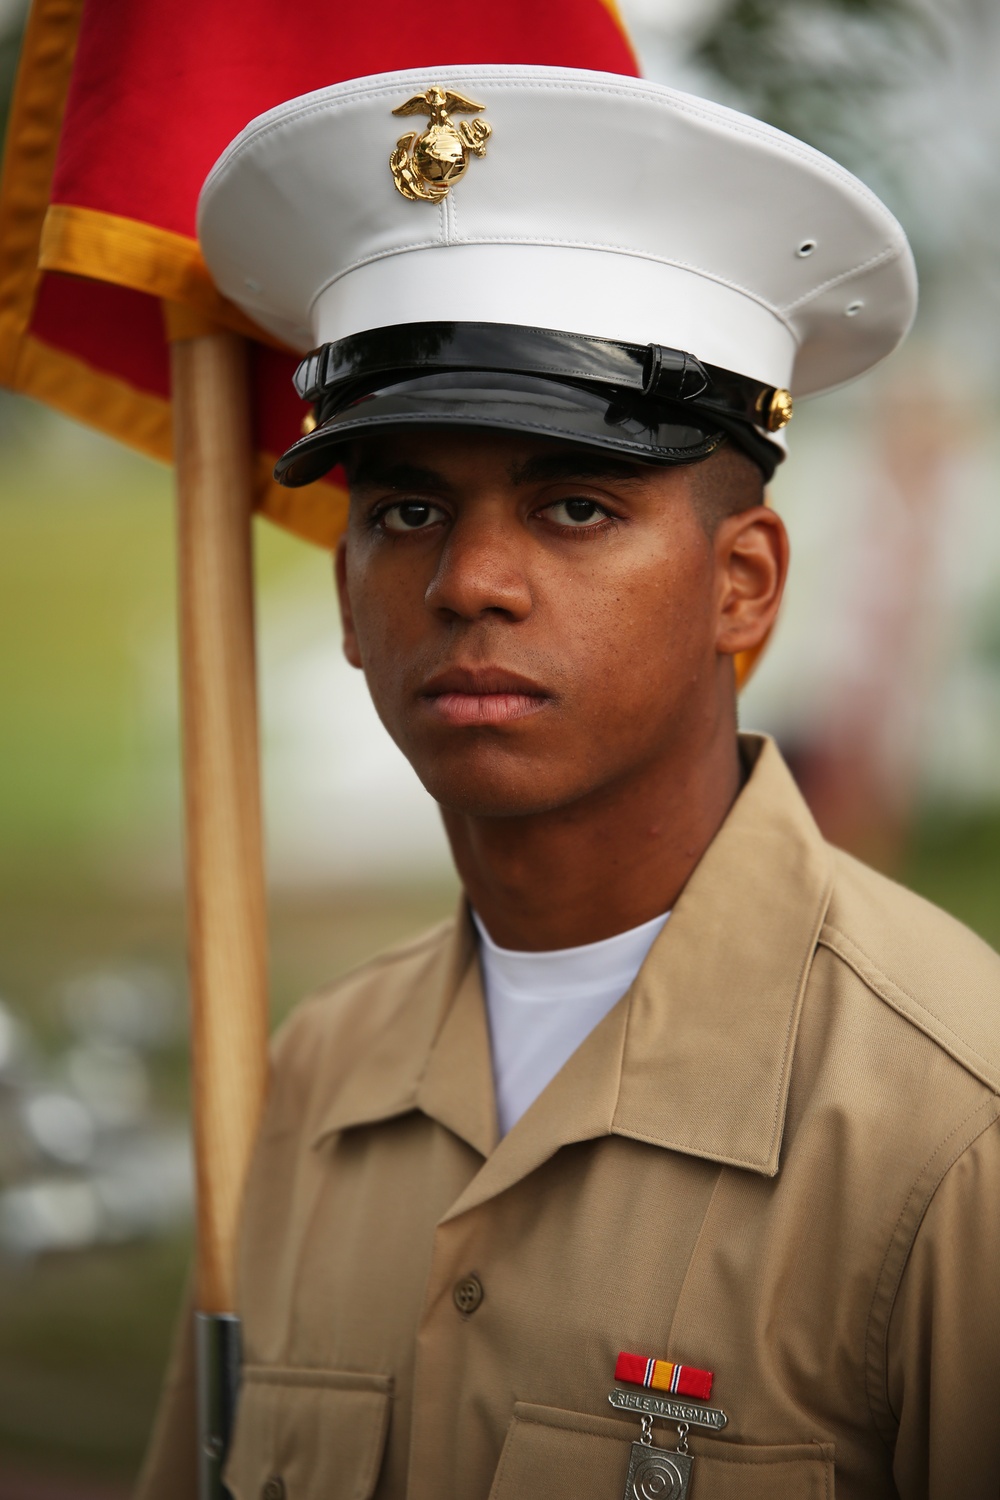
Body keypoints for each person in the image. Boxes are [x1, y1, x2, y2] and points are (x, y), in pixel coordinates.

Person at [137, 66, 1000, 1500]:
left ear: (744, 585)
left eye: (575, 505)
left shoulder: (946, 1122)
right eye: (407, 508)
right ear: (349, 603)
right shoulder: (314, 1073)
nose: (470, 581)